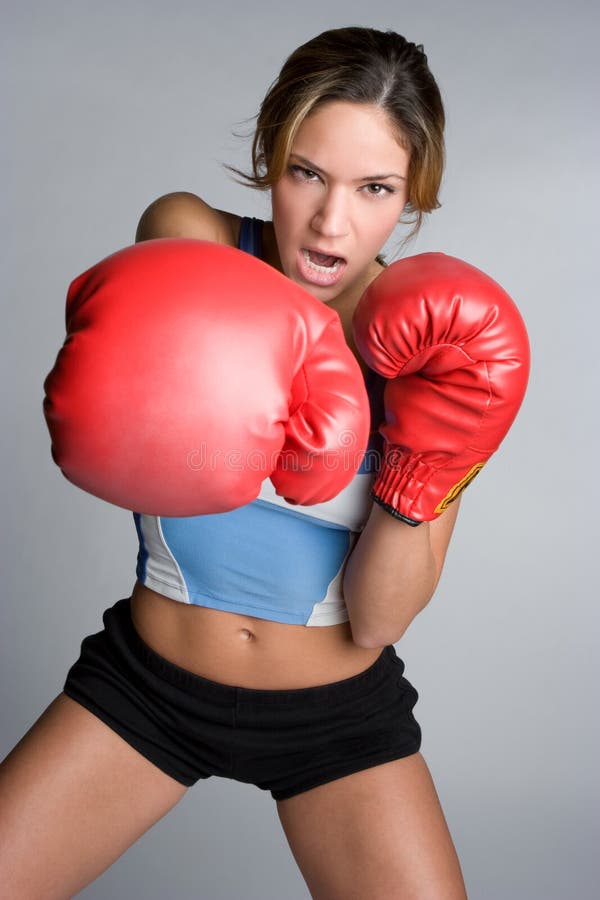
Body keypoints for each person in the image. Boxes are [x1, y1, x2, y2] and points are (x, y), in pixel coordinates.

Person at [0, 26, 528, 899]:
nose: (331, 222)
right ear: (269, 156)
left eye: (374, 188)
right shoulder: (193, 240)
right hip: (147, 688)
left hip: (337, 720)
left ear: (412, 196)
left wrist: (421, 472)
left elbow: (379, 620)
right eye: (307, 173)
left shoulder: (440, 352)